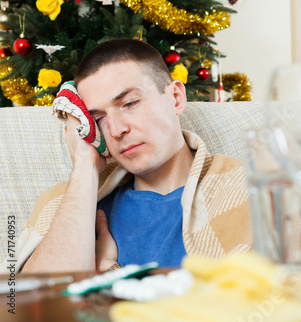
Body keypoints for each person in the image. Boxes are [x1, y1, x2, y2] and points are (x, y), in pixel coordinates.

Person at [20, 39, 251, 273]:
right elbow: (23, 305)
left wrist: (112, 272)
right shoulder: (63, 202)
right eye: (98, 118)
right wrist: (84, 168)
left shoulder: (248, 191)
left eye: (129, 103)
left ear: (176, 98)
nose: (115, 129)